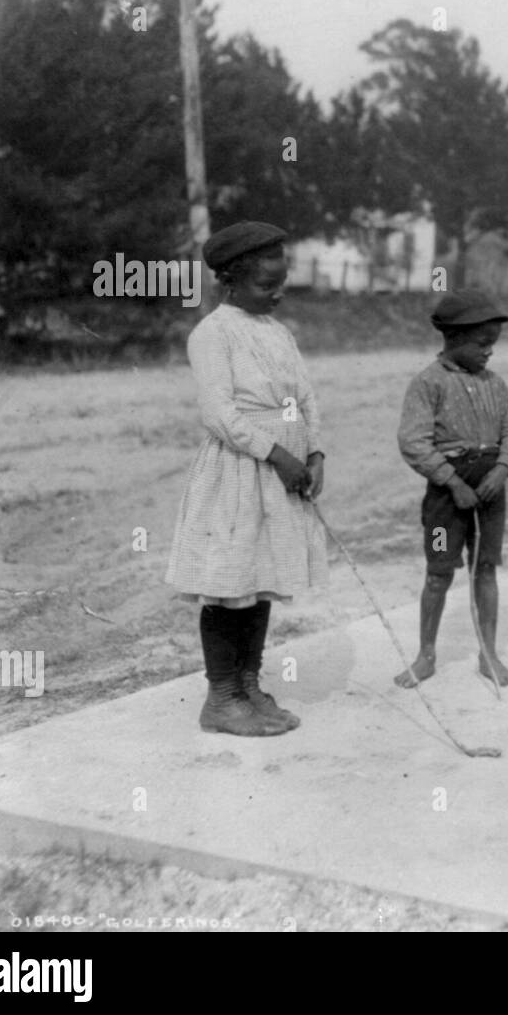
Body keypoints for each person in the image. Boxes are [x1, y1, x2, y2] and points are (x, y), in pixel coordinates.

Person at [166, 221, 327, 736]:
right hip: (238, 473)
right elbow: (220, 415)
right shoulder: (212, 335)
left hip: (282, 476)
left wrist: (315, 449)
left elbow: (306, 395)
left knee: (260, 584)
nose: (278, 294)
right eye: (266, 286)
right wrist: (276, 453)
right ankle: (222, 697)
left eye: (282, 283)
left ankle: (249, 685)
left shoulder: (278, 333)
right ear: (231, 281)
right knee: (228, 584)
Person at [395, 288, 508, 689]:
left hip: (490, 492)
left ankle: (489, 654)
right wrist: (451, 481)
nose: (489, 353)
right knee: (437, 573)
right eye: (483, 344)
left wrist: (502, 469)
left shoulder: (496, 385)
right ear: (454, 339)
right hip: (444, 500)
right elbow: (413, 442)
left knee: (485, 569)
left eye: (493, 346)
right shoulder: (427, 384)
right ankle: (425, 655)